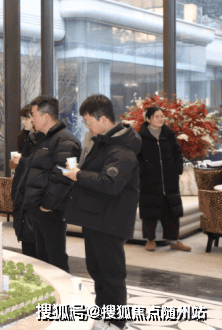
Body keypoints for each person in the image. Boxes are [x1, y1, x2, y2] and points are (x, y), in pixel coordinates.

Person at [64, 94, 141, 330]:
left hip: (111, 220)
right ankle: (103, 314)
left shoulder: (122, 148)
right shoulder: (104, 142)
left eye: (88, 121)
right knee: (97, 271)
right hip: (97, 218)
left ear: (103, 119)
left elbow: (110, 183)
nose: (86, 126)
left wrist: (78, 174)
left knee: (111, 275)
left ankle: (116, 323)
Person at [16, 96, 80, 273]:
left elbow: (63, 177)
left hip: (52, 211)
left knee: (55, 258)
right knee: (42, 256)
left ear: (46, 117)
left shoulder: (66, 140)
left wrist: (47, 205)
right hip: (38, 208)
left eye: (33, 114)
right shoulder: (42, 139)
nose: (31, 119)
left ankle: (63, 291)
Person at [137, 107, 190, 252]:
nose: (161, 119)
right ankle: (150, 240)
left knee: (172, 211)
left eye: (162, 116)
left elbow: (178, 153)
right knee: (150, 212)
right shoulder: (140, 137)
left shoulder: (169, 134)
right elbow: (137, 158)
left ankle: (174, 241)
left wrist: (177, 169)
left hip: (169, 180)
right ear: (148, 119)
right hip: (149, 181)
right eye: (157, 116)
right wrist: (143, 172)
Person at [10, 104, 37, 258]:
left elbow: (38, 166)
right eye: (22, 118)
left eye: (26, 118)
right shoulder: (24, 138)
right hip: (21, 191)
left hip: (31, 195)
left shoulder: (41, 141)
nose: (23, 122)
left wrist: (23, 161)